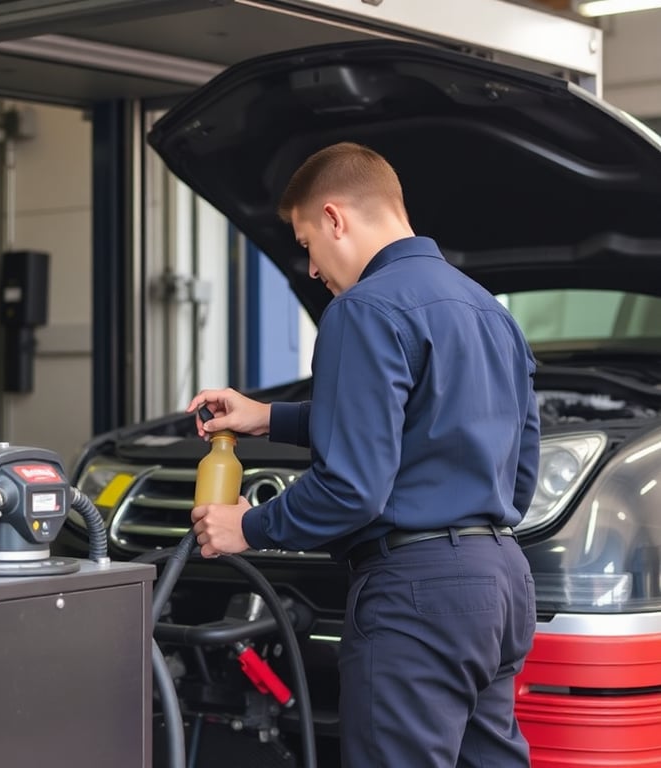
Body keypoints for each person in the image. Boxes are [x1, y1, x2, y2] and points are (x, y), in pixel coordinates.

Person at [186, 141, 539, 767]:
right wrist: (267, 416)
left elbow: (351, 488)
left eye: (306, 244)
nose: (312, 269)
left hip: (415, 596)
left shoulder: (363, 309)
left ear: (334, 218)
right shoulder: (491, 312)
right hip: (502, 584)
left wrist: (250, 526)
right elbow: (514, 467)